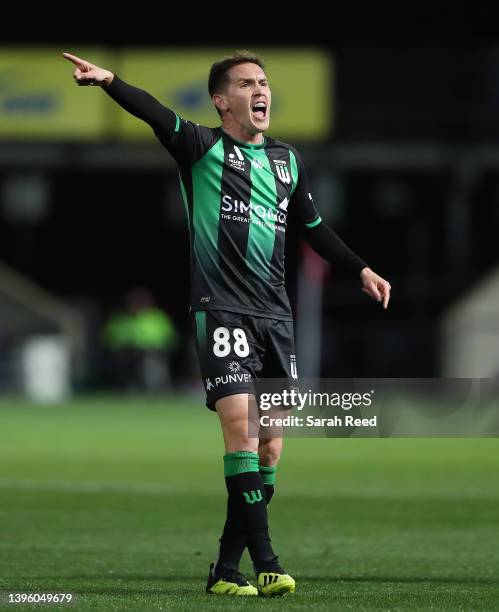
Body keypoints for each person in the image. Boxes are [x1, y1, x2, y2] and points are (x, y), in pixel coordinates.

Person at [63, 49, 391, 597]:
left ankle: (224, 569)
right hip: (221, 309)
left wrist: (359, 267)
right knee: (240, 430)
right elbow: (153, 112)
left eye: (263, 82)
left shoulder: (287, 161)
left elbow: (313, 226)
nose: (261, 91)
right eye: (246, 84)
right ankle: (268, 562)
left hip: (274, 318)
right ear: (222, 101)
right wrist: (110, 81)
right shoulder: (201, 147)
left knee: (270, 448)